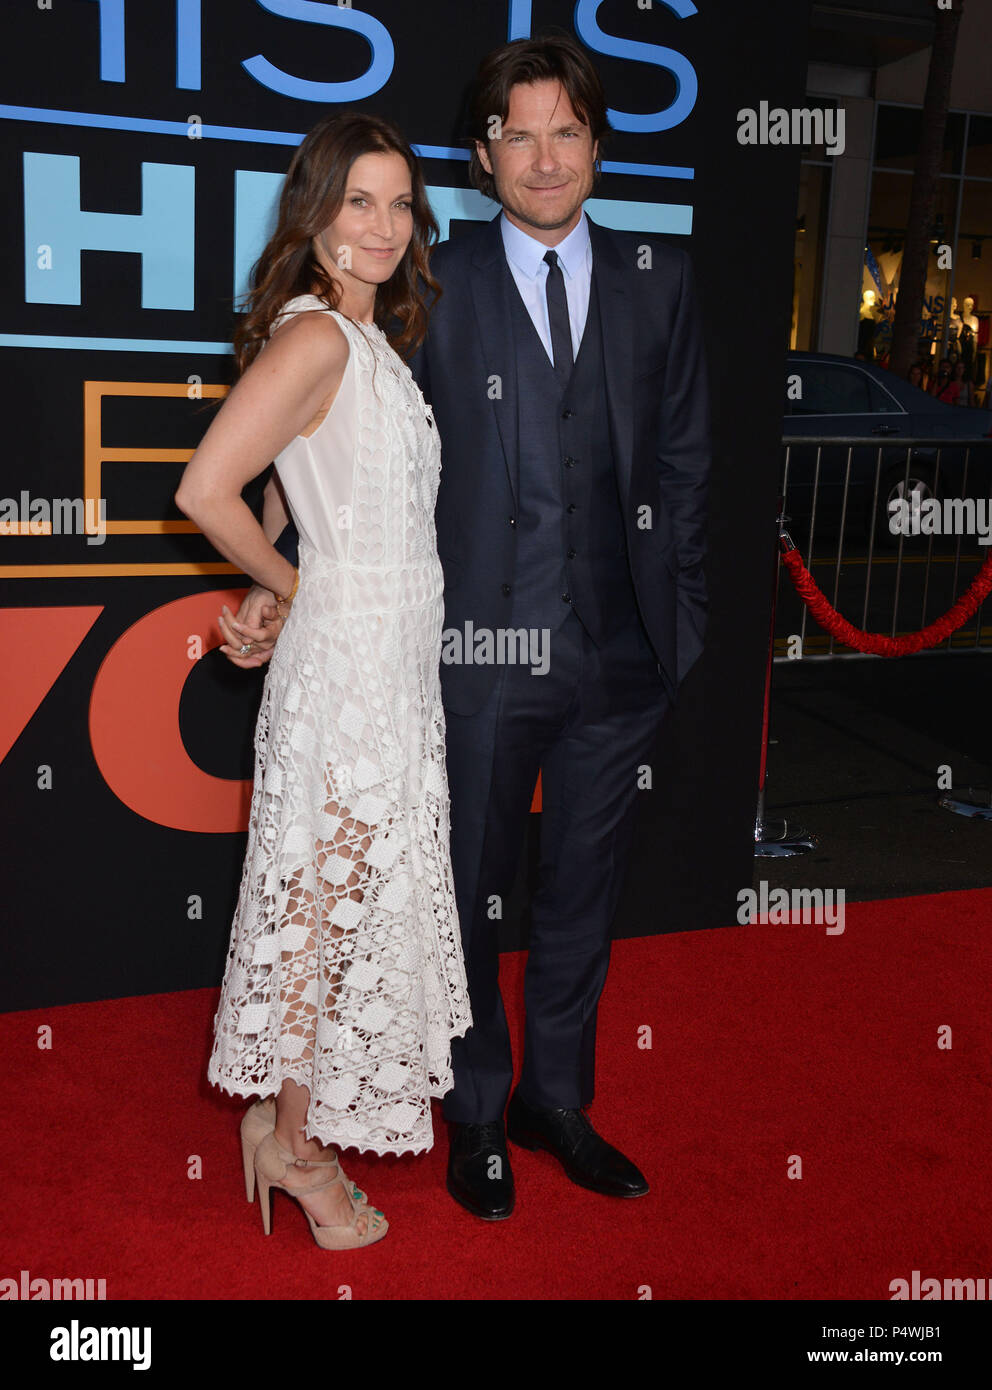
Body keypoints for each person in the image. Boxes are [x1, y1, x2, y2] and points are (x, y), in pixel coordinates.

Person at [227, 33, 712, 1221]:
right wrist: (275, 571)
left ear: (596, 146)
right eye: (517, 134)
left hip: (621, 652)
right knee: (468, 890)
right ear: (483, 156)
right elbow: (332, 431)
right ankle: (480, 1114)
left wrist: (680, 614)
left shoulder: (659, 273)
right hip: (472, 658)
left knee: (582, 891)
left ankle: (558, 1099)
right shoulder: (434, 283)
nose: (543, 158)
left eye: (565, 131)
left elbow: (687, 456)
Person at [175, 111, 472, 1249]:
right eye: (360, 202)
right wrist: (297, 592)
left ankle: (275, 1124)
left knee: (328, 911)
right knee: (326, 918)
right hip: (350, 665)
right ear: (316, 214)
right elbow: (207, 489)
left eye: (401, 204)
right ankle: (296, 1150)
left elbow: (284, 486)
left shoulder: (363, 342)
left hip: (384, 666)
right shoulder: (320, 340)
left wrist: (269, 577)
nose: (385, 226)